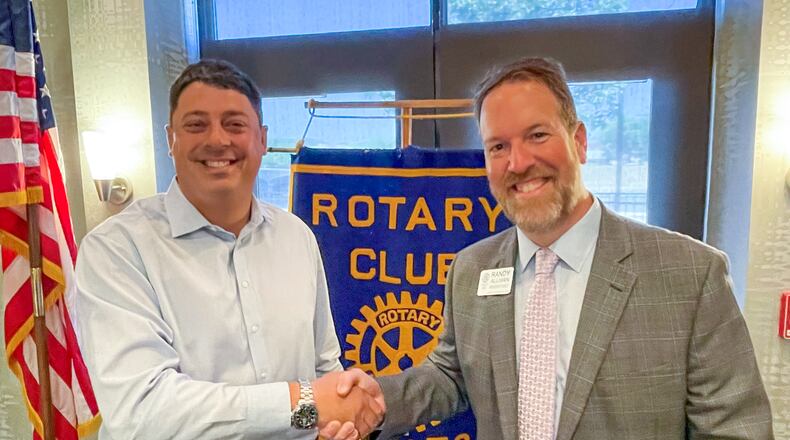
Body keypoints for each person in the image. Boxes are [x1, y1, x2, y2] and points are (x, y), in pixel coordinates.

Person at [337, 57, 773, 439]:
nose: (519, 162)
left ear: (579, 141)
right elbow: (452, 377)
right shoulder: (471, 269)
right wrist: (379, 402)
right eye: (498, 146)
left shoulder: (690, 276)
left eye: (537, 135)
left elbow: (736, 431)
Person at [75, 59, 382, 439]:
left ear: (263, 139)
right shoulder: (117, 250)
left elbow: (324, 369)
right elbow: (142, 412)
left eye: (235, 124)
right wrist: (305, 404)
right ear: (171, 139)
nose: (218, 140)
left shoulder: (296, 237)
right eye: (196, 125)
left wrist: (339, 417)